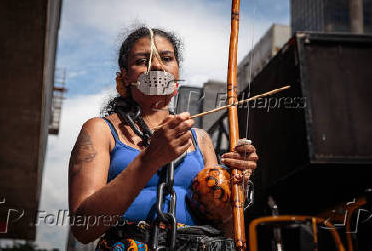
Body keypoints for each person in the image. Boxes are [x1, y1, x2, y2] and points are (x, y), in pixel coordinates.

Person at [68, 26, 258, 250]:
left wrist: (235, 190)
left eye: (167, 58)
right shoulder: (101, 130)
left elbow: (228, 231)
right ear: (124, 76)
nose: (157, 65)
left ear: (177, 73)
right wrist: (150, 159)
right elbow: (84, 228)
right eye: (142, 60)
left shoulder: (201, 139)